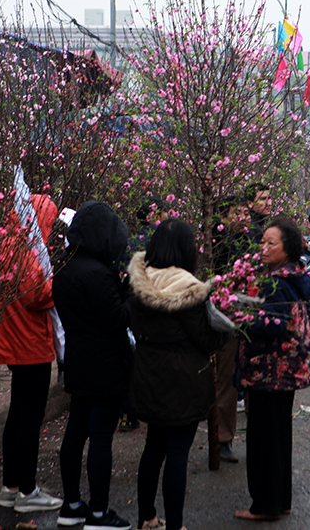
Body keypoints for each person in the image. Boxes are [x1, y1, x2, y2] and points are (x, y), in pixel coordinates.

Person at [128, 218, 231, 530]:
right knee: (177, 455)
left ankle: (146, 517)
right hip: (184, 380)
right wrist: (224, 331)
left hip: (147, 374)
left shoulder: (137, 281)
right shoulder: (189, 289)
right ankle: (175, 524)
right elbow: (205, 339)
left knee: (152, 450)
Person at [52, 201, 133, 530]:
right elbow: (117, 318)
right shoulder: (99, 274)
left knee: (75, 432)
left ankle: (72, 505)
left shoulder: (65, 268)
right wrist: (130, 293)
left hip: (78, 362)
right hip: (106, 366)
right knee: (100, 437)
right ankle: (99, 512)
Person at [234, 217, 310, 522]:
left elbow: (272, 326)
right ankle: (280, 500)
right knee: (279, 436)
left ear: (289, 247)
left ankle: (265, 506)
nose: (264, 247)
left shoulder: (277, 282)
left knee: (264, 440)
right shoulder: (293, 274)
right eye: (263, 242)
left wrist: (239, 317)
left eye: (272, 243)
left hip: (271, 370)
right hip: (287, 370)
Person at [0, 194, 64, 513]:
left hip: (13, 340)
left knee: (16, 414)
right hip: (31, 344)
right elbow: (39, 295)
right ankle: (28, 491)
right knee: (29, 420)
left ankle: (11, 486)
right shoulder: (27, 252)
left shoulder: (6, 244)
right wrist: (59, 284)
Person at [211, 195, 256, 463]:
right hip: (227, 321)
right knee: (226, 381)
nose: (246, 217)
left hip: (251, 320)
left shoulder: (253, 239)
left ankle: (257, 436)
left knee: (253, 379)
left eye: (247, 211)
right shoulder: (215, 245)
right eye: (239, 212)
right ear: (224, 216)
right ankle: (223, 438)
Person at [119, 196, 166, 433]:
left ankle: (128, 414)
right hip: (157, 309)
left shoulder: (127, 244)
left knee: (131, 362)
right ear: (157, 215)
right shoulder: (163, 243)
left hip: (132, 309)